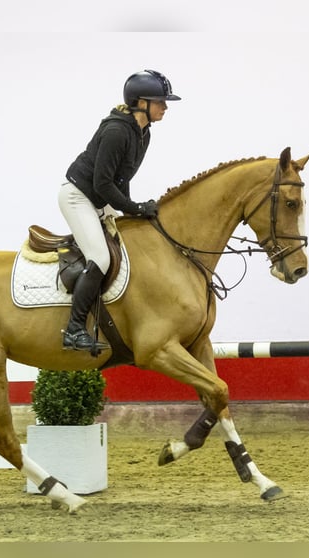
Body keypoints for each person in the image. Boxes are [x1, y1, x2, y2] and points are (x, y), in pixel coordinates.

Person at [58, 69, 181, 352]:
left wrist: (133, 213)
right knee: (100, 258)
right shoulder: (116, 131)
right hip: (79, 197)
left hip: (100, 198)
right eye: (160, 101)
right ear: (141, 102)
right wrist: (134, 208)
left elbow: (121, 179)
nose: (165, 107)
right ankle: (74, 329)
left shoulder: (143, 132)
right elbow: (102, 183)